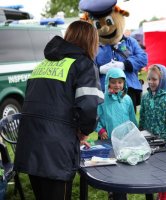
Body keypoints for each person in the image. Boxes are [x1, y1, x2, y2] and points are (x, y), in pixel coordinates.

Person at [14, 20, 103, 200]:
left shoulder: (43, 64)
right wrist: (83, 132)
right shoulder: (83, 64)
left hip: (30, 143)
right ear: (91, 41)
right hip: (55, 150)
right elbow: (88, 106)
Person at [139, 64, 166, 200]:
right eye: (149, 79)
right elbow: (143, 118)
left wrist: (162, 137)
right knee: (148, 170)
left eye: (154, 79)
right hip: (147, 142)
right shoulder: (145, 97)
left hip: (164, 144)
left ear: (163, 80)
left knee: (163, 172)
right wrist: (140, 133)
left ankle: (163, 197)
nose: (150, 82)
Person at [95, 67, 137, 140]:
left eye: (120, 82)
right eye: (113, 82)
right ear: (108, 82)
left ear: (124, 83)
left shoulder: (127, 99)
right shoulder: (102, 99)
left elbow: (132, 118)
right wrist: (100, 130)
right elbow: (95, 117)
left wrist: (135, 131)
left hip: (126, 138)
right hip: (107, 137)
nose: (117, 85)